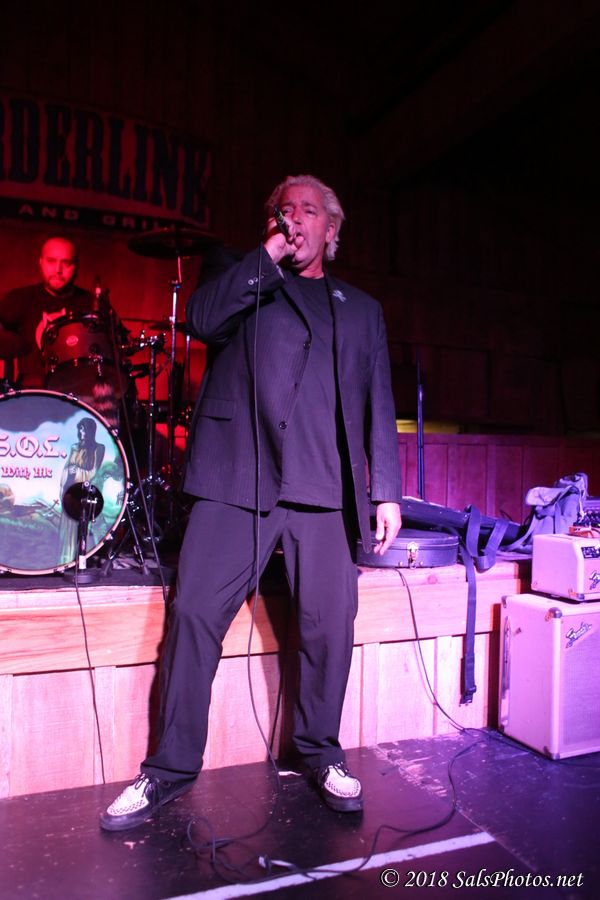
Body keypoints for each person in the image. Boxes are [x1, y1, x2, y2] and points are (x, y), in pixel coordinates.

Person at [100, 174, 402, 832]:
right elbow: (203, 320)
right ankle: (169, 768)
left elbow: (378, 402)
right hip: (238, 478)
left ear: (331, 229)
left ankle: (321, 754)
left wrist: (385, 491)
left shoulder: (361, 310)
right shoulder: (240, 273)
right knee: (194, 615)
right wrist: (265, 257)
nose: (295, 218)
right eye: (284, 209)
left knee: (329, 626)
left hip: (325, 489)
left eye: (309, 210)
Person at [0, 235, 131, 427]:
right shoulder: (20, 299)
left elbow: (121, 344)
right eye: (51, 261)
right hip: (32, 396)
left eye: (66, 263)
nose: (58, 269)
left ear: (76, 265)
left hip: (82, 398)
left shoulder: (92, 304)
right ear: (41, 262)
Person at [57, 417, 106, 566]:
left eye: (84, 429)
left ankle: (82, 561)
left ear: (91, 431)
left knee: (83, 528)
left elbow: (94, 471)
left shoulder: (98, 448)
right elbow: (66, 469)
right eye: (79, 429)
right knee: (68, 528)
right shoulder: (74, 447)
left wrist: (77, 471)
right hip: (71, 491)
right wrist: (69, 472)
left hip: (86, 493)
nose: (81, 432)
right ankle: (65, 561)